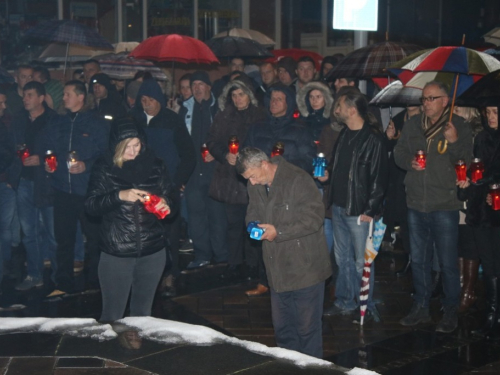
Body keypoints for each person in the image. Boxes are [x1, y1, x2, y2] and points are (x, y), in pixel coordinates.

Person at [236, 147, 331, 358]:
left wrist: (279, 231)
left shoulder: (297, 179)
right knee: (283, 331)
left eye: (251, 176)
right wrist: (252, 224)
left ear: (263, 164)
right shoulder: (257, 184)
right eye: (247, 179)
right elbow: (253, 210)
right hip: (277, 269)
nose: (250, 182)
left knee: (307, 331)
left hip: (306, 267)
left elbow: (314, 218)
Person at [394, 81, 472, 333]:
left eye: (431, 98)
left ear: (444, 100)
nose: (425, 103)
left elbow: (465, 161)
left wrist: (454, 141)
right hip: (416, 201)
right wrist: (409, 163)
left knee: (448, 262)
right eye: (424, 99)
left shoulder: (458, 126)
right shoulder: (413, 124)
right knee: (418, 259)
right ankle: (422, 306)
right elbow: (398, 152)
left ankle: (450, 310)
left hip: (444, 203)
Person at [85, 118, 177, 322]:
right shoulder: (104, 166)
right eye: (127, 147)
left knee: (142, 316)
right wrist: (119, 196)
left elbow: (172, 200)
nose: (133, 152)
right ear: (116, 146)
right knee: (112, 316)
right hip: (117, 252)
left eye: (137, 145)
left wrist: (166, 204)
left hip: (153, 250)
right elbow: (91, 206)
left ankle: (137, 351)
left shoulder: (156, 164)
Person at [243, 83, 316, 295]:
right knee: (261, 230)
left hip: (288, 190)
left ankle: (289, 279)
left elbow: (308, 160)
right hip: (261, 188)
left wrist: (283, 170)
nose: (274, 103)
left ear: (288, 103)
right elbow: (248, 155)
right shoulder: (258, 127)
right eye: (271, 99)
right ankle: (264, 280)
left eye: (279, 99)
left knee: (284, 233)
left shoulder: (300, 130)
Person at [321, 87, 388, 321]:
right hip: (339, 206)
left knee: (362, 261)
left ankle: (365, 304)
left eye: (339, 106)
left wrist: (370, 209)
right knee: (342, 259)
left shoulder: (373, 139)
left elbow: (380, 177)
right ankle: (345, 301)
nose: (336, 110)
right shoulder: (344, 134)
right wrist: (326, 174)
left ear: (352, 109)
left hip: (360, 211)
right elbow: (338, 167)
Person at [40, 80, 109, 297]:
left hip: (88, 190)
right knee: (64, 239)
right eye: (64, 94)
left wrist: (86, 165)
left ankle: (96, 283)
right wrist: (48, 162)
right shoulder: (57, 122)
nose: (64, 97)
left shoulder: (95, 123)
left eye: (68, 93)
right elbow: (48, 148)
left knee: (95, 238)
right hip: (62, 189)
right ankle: (63, 284)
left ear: (81, 97)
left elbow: (106, 156)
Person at [129, 78, 196, 297]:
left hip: (167, 186)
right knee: (145, 233)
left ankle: (170, 275)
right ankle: (148, 277)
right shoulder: (135, 120)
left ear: (159, 100)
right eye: (143, 100)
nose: (146, 104)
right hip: (142, 185)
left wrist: (177, 183)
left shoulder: (172, 121)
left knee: (170, 232)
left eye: (150, 100)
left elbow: (188, 155)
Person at [206, 76, 266, 281]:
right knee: (232, 224)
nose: (238, 98)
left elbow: (264, 143)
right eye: (234, 95)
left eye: (241, 94)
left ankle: (253, 265)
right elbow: (211, 140)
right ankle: (234, 263)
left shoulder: (260, 116)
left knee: (253, 222)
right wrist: (224, 155)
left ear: (249, 95)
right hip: (231, 178)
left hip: (252, 177)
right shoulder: (224, 116)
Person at [179, 71, 228, 271]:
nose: (197, 88)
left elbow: (229, 137)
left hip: (215, 171)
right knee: (196, 217)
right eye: (194, 85)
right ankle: (202, 255)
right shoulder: (184, 110)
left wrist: (218, 154)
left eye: (201, 84)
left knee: (217, 216)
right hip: (193, 173)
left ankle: (222, 256)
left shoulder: (220, 109)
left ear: (209, 86)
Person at [458, 104, 500, 338]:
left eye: (496, 112)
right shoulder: (482, 137)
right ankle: (492, 315)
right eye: (488, 112)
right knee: (490, 263)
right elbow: (478, 169)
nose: (491, 117)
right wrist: (468, 183)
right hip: (481, 211)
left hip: (496, 209)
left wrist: (489, 182)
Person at [12, 81, 57, 291]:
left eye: (30, 95)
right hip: (24, 181)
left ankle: (58, 277)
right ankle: (34, 274)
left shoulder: (54, 120)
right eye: (24, 95)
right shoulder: (20, 120)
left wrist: (42, 158)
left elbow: (61, 149)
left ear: (41, 98)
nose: (25, 99)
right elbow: (13, 145)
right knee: (29, 232)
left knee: (52, 231)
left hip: (46, 183)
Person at [384, 106, 421, 277]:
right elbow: (387, 146)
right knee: (404, 220)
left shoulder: (424, 119)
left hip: (415, 174)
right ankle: (409, 258)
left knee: (415, 221)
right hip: (397, 175)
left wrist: (401, 141)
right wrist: (390, 138)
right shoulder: (398, 118)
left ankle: (418, 261)